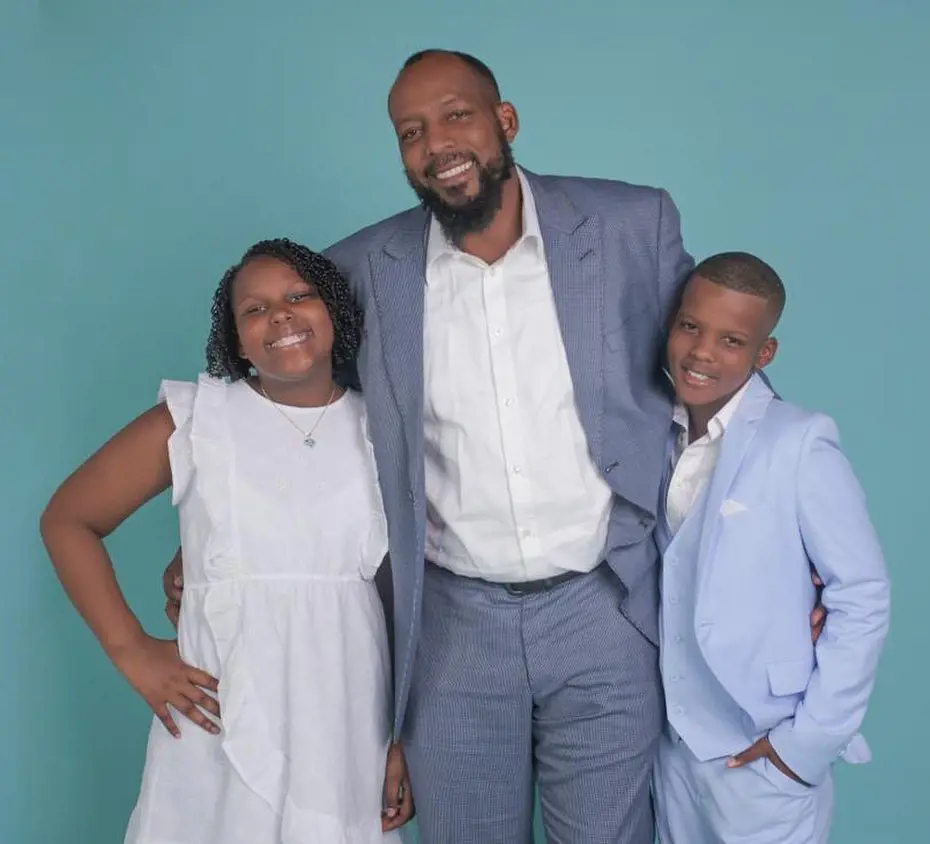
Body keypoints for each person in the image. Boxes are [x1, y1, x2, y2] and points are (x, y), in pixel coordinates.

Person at [162, 50, 824, 843]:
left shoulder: (627, 226)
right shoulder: (360, 270)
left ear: (505, 122)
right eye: (411, 131)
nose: (437, 142)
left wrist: (785, 539)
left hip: (604, 608)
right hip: (449, 628)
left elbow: (715, 367)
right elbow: (303, 410)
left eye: (456, 115)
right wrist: (214, 533)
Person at [41, 239, 413, 843]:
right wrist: (131, 649)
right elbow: (68, 519)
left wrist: (401, 736)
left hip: (345, 712)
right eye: (255, 309)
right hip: (222, 705)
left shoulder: (382, 428)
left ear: (333, 314)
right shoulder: (196, 421)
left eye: (299, 296)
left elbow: (410, 598)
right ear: (237, 342)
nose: (282, 316)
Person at [652, 252, 891, 843]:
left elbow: (861, 595)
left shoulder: (800, 441)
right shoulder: (652, 430)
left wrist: (803, 746)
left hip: (764, 749)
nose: (703, 352)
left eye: (732, 340)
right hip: (671, 748)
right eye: (690, 327)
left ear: (765, 354)